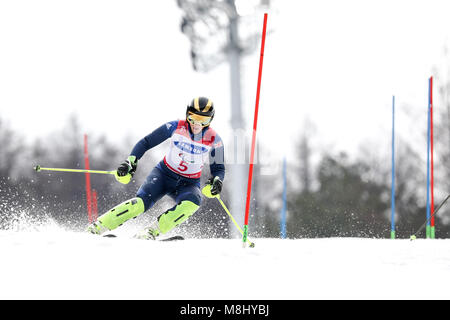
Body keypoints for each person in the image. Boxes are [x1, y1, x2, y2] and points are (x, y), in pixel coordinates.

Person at [86, 97, 225, 239]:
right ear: (187, 114)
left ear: (211, 120)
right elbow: (146, 142)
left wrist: (217, 181)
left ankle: (150, 232)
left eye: (204, 120)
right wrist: (131, 162)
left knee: (193, 203)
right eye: (193, 117)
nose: (197, 124)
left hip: (188, 183)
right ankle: (98, 227)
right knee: (139, 204)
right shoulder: (175, 127)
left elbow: (218, 168)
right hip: (163, 175)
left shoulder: (215, 140)